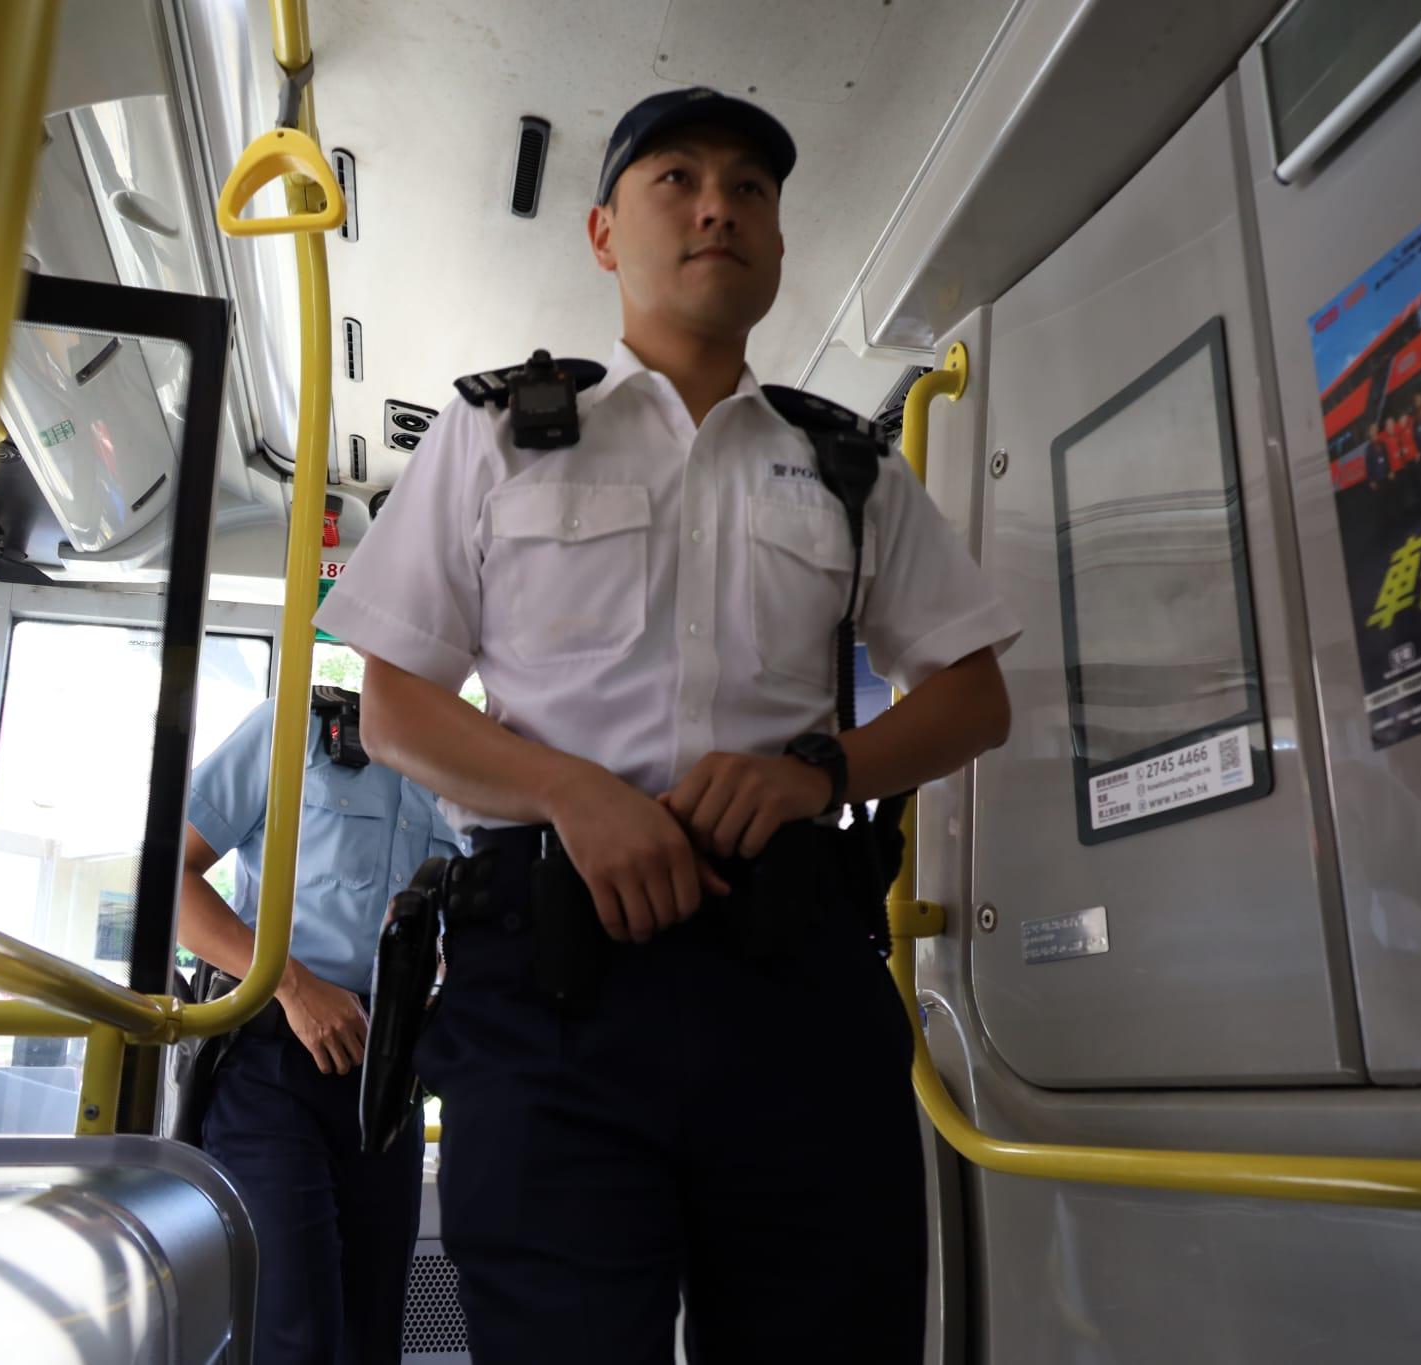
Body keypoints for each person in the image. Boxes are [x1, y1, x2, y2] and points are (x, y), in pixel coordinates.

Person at [312, 86, 1019, 1364]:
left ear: (780, 243)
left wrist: (821, 774)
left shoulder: (850, 464)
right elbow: (400, 705)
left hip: (791, 966)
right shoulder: (496, 440)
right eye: (676, 180)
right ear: (601, 233)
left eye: (750, 189)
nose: (716, 207)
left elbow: (973, 696)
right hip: (549, 975)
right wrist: (572, 795)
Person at [179, 688, 461, 1363]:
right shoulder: (295, 730)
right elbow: (169, 879)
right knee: (293, 1332)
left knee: (370, 1338)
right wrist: (293, 985)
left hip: (389, 1079)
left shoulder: (464, 755)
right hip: (272, 1062)